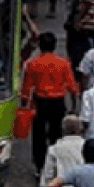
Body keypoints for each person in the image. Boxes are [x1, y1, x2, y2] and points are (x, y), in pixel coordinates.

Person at [22, 32, 80, 173]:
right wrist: (74, 107)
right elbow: (73, 88)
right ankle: (56, 164)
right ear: (54, 46)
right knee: (57, 135)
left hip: (40, 102)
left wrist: (25, 108)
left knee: (38, 136)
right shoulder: (64, 63)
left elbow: (26, 88)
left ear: (40, 46)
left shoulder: (32, 63)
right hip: (58, 103)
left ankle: (40, 166)